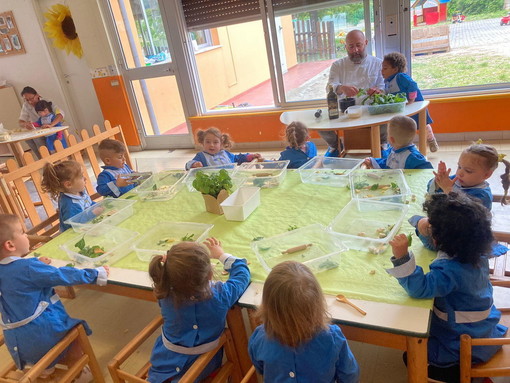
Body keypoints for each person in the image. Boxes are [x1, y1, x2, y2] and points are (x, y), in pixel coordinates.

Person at [387, 193, 507, 383]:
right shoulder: (474, 249)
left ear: (439, 238)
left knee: (409, 357)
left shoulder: (449, 271)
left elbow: (420, 288)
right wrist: (423, 227)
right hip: (483, 325)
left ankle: (464, 374)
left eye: (432, 229)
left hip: (462, 338)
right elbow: (441, 247)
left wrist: (402, 258)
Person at [0, 213, 109, 381]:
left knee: (44, 336)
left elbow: (17, 280)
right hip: (41, 335)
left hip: (16, 342)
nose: (26, 235)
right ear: (10, 245)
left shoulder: (16, 268)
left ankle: (43, 368)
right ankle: (78, 374)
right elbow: (61, 275)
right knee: (75, 333)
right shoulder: (28, 267)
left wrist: (38, 266)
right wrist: (96, 274)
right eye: (22, 232)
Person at [147, 237, 250, 383]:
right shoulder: (220, 295)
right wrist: (222, 255)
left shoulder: (164, 294)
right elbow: (243, 274)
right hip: (203, 368)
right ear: (209, 274)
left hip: (163, 364)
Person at [248, 261, 359, 383]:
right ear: (317, 304)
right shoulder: (333, 338)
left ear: (268, 306)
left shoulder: (259, 337)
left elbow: (260, 368)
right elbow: (349, 375)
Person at [409, 143, 505, 252]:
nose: (460, 173)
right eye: (459, 166)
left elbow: (464, 217)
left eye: (468, 171)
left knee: (423, 225)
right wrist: (438, 181)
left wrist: (449, 190)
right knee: (419, 221)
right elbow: (431, 190)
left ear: (486, 175)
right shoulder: (457, 179)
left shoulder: (482, 195)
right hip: (448, 226)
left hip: (462, 239)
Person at [323, 29, 385, 157]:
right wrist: (341, 88)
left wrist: (378, 91)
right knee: (321, 125)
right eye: (351, 46)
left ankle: (383, 144)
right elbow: (329, 86)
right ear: (345, 47)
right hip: (346, 112)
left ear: (366, 43)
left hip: (371, 110)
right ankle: (335, 145)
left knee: (389, 118)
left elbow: (383, 87)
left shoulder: (378, 63)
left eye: (358, 45)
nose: (355, 50)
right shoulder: (338, 65)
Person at [382, 52, 439, 152]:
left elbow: (412, 85)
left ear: (395, 69)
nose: (382, 71)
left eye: (385, 68)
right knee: (406, 128)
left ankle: (431, 140)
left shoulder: (400, 77)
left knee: (423, 125)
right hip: (404, 109)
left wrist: (411, 99)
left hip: (416, 106)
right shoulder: (387, 82)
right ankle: (408, 146)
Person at [41, 160, 97, 232]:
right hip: (73, 234)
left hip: (87, 226)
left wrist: (98, 206)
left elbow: (88, 204)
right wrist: (93, 213)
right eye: (81, 176)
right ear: (68, 184)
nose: (85, 178)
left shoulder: (79, 192)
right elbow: (74, 223)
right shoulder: (69, 204)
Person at [363, 115, 432, 169]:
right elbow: (388, 165)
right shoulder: (392, 151)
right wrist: (373, 161)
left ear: (391, 139)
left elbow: (427, 172)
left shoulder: (413, 157)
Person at [18, 86, 65, 159]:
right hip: (40, 128)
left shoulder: (47, 102)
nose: (30, 102)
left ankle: (49, 158)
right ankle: (42, 159)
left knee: (37, 139)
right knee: (28, 139)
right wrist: (25, 124)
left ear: (37, 95)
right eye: (27, 100)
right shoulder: (26, 105)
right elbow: (21, 121)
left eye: (31, 98)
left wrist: (51, 125)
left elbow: (60, 114)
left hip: (52, 128)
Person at [185, 127, 264, 170]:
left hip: (231, 179)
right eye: (208, 142)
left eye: (215, 142)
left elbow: (238, 158)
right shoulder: (201, 156)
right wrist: (194, 164)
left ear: (221, 144)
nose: (211, 145)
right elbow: (188, 165)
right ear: (202, 142)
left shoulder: (225, 154)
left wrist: (250, 156)